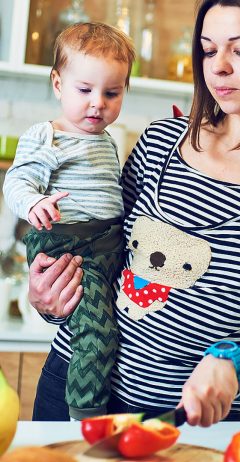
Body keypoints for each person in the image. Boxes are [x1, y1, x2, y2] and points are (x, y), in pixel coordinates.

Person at [26, 0, 240, 426]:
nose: (218, 67)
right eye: (207, 49)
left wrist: (237, 364)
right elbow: (100, 253)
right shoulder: (161, 141)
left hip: (187, 422)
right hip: (69, 388)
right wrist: (49, 299)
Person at [3, 22, 135, 420]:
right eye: (85, 90)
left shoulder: (108, 139)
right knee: (95, 331)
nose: (98, 103)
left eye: (112, 93)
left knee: (115, 318)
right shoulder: (49, 136)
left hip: (104, 244)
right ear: (58, 84)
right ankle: (83, 412)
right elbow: (17, 179)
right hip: (70, 247)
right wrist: (34, 204)